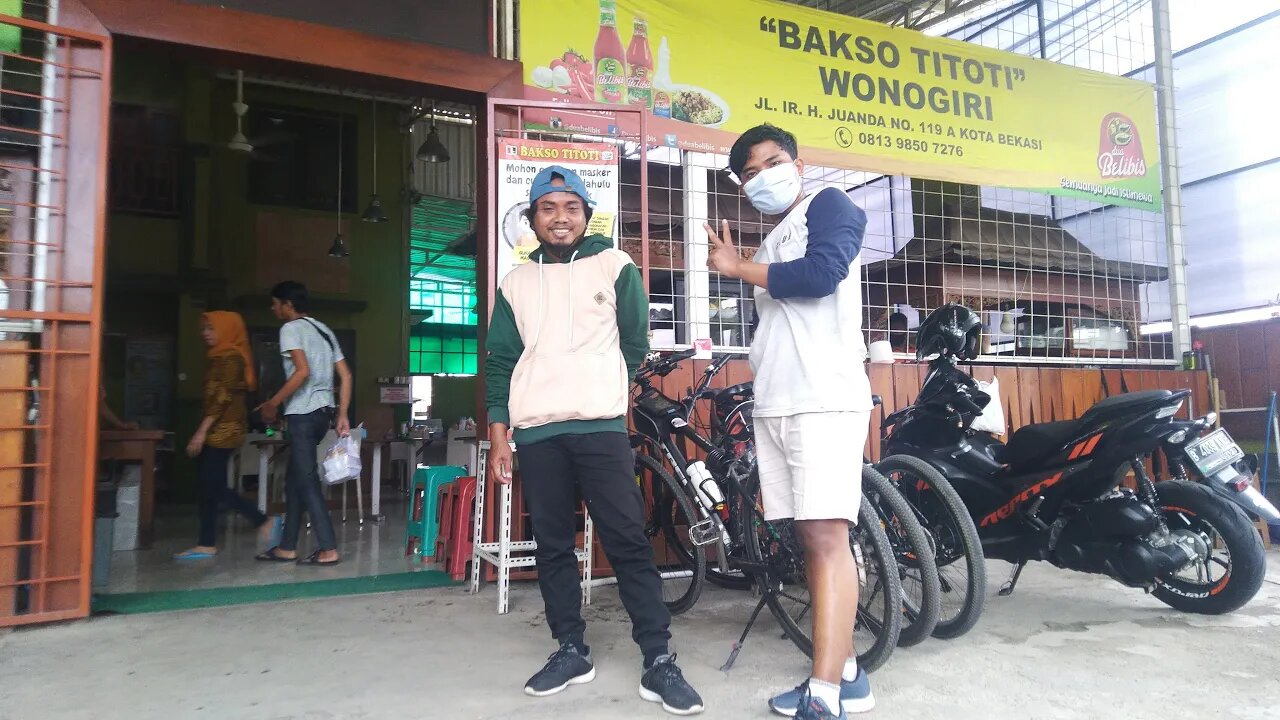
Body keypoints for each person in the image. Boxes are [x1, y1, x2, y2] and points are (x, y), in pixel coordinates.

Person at [484, 166, 704, 715]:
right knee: (554, 544)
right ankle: (570, 649)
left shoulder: (616, 264)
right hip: (536, 431)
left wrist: (601, 385)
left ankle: (658, 658)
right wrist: (499, 432)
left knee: (627, 539)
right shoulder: (515, 281)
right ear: (533, 219)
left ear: (586, 214)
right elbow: (501, 361)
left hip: (601, 428)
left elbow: (633, 344)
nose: (560, 218)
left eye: (571, 208)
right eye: (548, 208)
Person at [706, 124, 875, 720]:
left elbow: (821, 275)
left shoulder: (830, 206)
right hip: (778, 399)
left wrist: (737, 268)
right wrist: (746, 266)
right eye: (748, 175)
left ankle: (824, 694)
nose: (761, 179)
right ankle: (847, 671)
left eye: (771, 164)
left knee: (829, 540)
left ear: (798, 164)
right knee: (811, 538)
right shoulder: (775, 233)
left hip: (823, 399)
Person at [254, 281, 351, 566]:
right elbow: (345, 375)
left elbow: (302, 372)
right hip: (323, 415)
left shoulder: (290, 329)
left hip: (302, 415)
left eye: (275, 304)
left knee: (307, 480)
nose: (273, 309)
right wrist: (342, 413)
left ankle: (328, 548)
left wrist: (272, 403)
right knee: (294, 479)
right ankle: (287, 546)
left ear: (288, 304)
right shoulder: (324, 331)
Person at [174, 311, 271, 560]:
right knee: (207, 487)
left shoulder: (230, 359)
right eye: (204, 329)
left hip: (224, 430)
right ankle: (206, 543)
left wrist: (200, 432)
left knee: (212, 485)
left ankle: (261, 519)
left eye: (211, 329)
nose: (205, 333)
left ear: (227, 330)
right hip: (216, 428)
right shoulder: (218, 357)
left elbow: (222, 398)